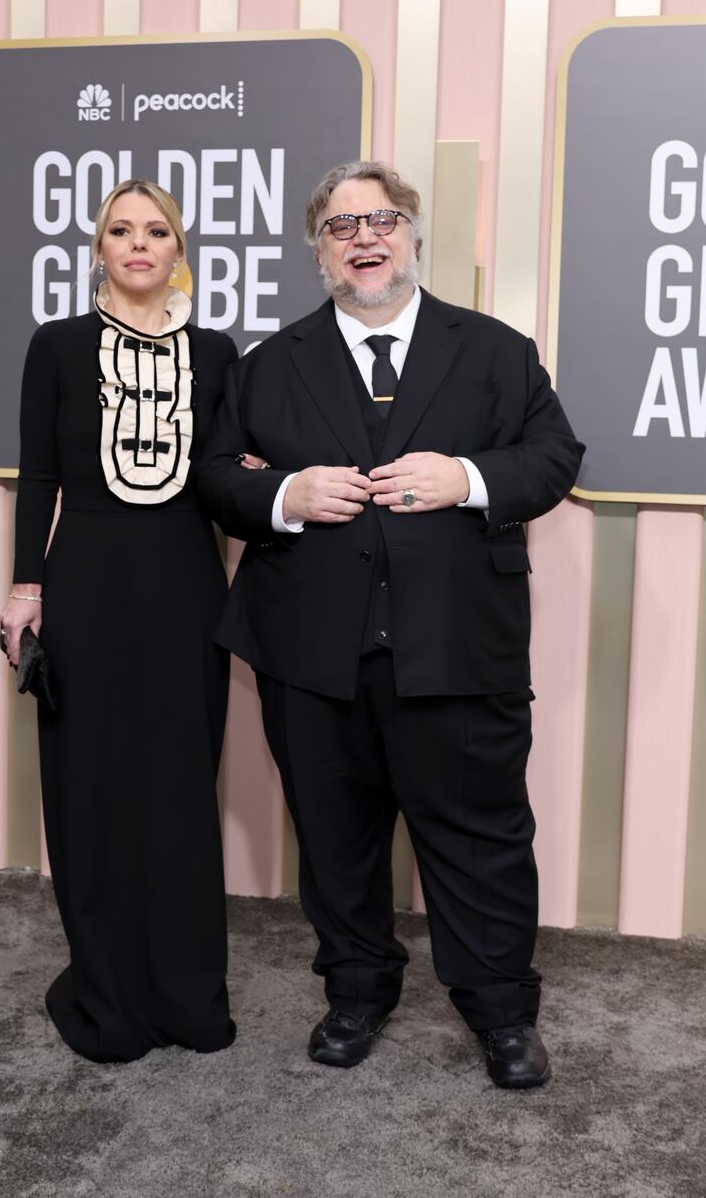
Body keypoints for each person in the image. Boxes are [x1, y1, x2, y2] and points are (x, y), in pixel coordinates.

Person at [198, 160, 584, 1089]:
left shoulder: (496, 349)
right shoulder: (268, 364)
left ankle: (501, 1015)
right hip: (310, 650)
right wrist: (284, 491)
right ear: (319, 249)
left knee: (481, 838)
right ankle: (357, 992)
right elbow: (217, 474)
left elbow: (554, 456)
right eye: (342, 226)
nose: (365, 238)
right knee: (334, 838)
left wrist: (470, 479)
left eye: (382, 220)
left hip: (458, 646)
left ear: (412, 233)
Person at [0, 179, 260, 1063]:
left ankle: (187, 995)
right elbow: (40, 476)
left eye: (157, 231)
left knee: (181, 787)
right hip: (87, 586)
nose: (139, 243)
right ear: (99, 249)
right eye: (121, 230)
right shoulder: (59, 346)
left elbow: (225, 484)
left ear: (178, 249)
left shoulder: (219, 352)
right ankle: (108, 989)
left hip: (189, 585)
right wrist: (25, 588)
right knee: (93, 786)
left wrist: (260, 474)